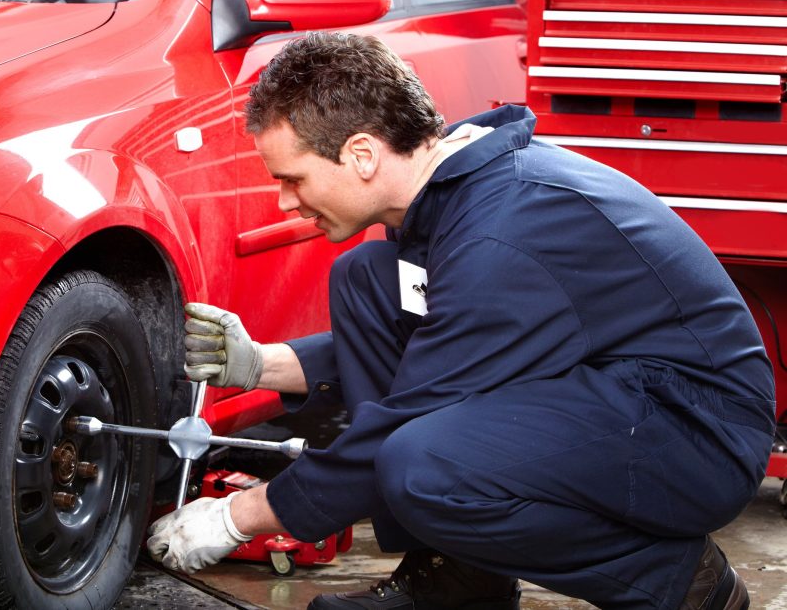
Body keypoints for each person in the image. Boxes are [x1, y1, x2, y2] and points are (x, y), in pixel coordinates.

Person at [145, 32, 775, 610]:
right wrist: (264, 362)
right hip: (613, 391)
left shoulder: (499, 237)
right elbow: (441, 340)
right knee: (366, 278)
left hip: (692, 431)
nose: (285, 200)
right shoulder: (453, 199)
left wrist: (241, 515)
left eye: (293, 177)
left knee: (420, 466)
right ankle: (461, 579)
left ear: (361, 154)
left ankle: (679, 583)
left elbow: (423, 396)